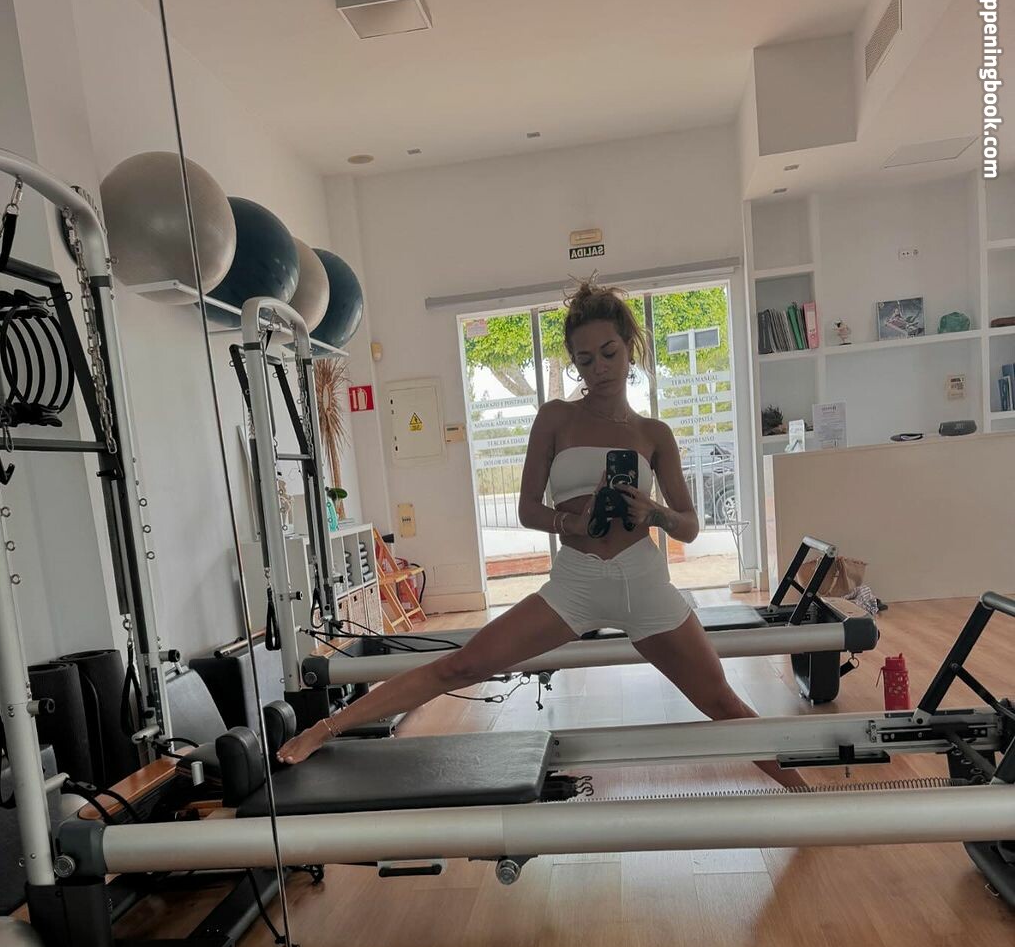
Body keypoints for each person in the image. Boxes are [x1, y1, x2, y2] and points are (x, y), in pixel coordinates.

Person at [278, 278, 806, 790]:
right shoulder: (555, 418)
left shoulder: (654, 434)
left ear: (629, 348)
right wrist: (569, 522)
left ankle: (808, 796)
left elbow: (690, 526)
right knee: (462, 664)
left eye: (609, 353)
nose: (599, 368)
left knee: (721, 702)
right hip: (575, 581)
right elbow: (528, 508)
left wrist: (654, 513)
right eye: (585, 359)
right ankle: (324, 728)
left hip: (643, 582)